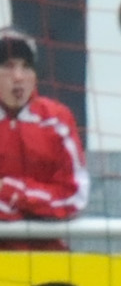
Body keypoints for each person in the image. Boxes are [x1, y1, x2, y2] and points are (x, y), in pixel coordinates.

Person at [0, 31, 88, 246]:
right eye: (8, 66)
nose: (18, 77)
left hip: (46, 254)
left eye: (26, 67)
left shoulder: (56, 120)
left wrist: (15, 193)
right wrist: (40, 203)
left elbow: (75, 196)